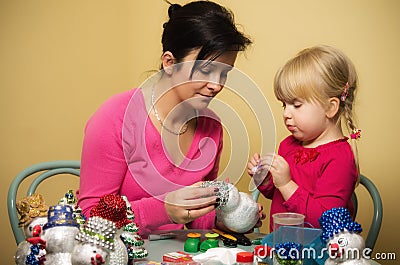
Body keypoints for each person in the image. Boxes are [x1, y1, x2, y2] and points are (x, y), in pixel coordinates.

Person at [77, 0, 263, 237]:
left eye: (224, 74)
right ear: (170, 63)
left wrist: (227, 218)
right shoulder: (116, 117)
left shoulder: (212, 127)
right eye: (205, 70)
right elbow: (89, 217)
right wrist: (164, 210)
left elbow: (196, 218)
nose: (216, 85)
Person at [248, 45, 361, 230]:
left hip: (315, 254)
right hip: (283, 247)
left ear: (330, 108)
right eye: (284, 104)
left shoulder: (339, 158)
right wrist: (266, 179)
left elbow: (325, 221)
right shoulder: (288, 145)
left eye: (296, 105)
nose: (286, 113)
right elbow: (280, 198)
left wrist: (286, 183)